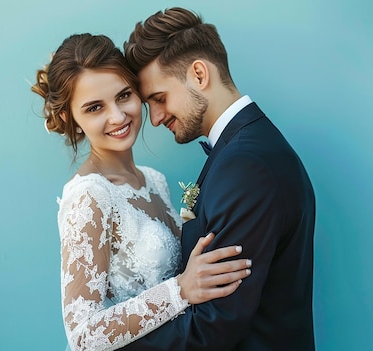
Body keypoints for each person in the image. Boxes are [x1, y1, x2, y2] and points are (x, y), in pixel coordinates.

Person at [30, 33, 252, 351]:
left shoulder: (154, 180)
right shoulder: (88, 196)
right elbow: (82, 336)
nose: (118, 116)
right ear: (70, 118)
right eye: (94, 108)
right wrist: (180, 290)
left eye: (124, 96)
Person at [120, 7, 316, 350]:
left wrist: (110, 342)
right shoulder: (249, 148)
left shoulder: (245, 165)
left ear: (198, 74)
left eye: (159, 99)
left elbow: (215, 327)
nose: (155, 119)